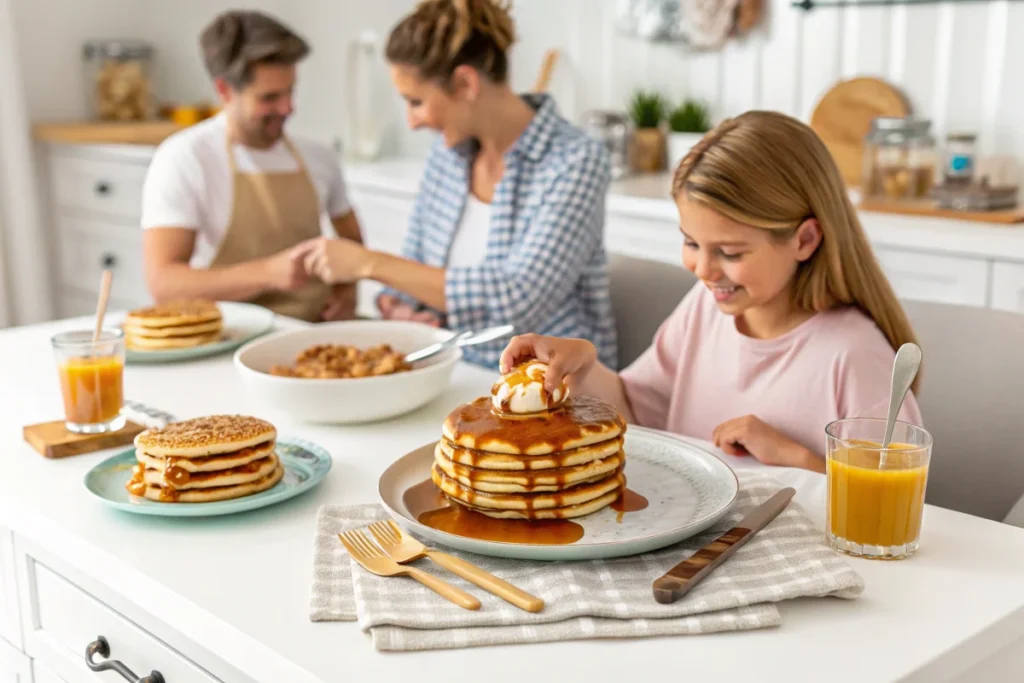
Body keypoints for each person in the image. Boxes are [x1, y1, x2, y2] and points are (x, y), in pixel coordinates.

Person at [498, 111, 924, 473]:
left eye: (730, 251)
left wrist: (791, 454)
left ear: (805, 240)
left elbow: (894, 501)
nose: (703, 270)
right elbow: (635, 409)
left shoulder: (854, 355)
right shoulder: (705, 308)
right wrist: (584, 368)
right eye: (691, 243)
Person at [299, 0, 617, 368]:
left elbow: (519, 301)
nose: (411, 121)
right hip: (452, 370)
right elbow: (415, 265)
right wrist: (398, 306)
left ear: (466, 82)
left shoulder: (575, 161)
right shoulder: (446, 156)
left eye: (416, 101)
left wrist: (368, 263)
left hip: (547, 389)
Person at [140, 10, 361, 322]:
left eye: (290, 91)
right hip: (229, 336)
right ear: (225, 91)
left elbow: (352, 243)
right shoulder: (185, 159)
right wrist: (268, 274)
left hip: (315, 331)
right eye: (269, 98)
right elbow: (165, 284)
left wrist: (345, 292)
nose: (288, 108)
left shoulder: (319, 156)